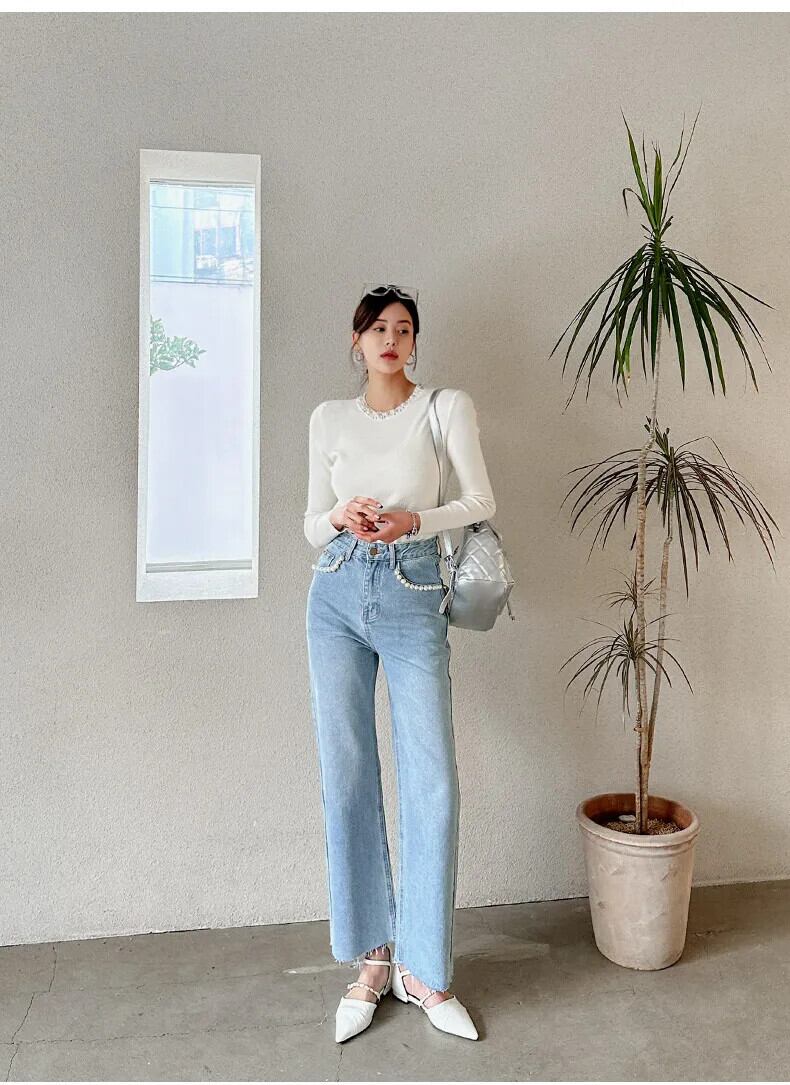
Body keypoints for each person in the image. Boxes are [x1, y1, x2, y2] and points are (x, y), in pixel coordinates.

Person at [304, 285, 496, 1043]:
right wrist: (338, 515)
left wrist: (417, 519)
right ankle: (373, 959)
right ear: (356, 340)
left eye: (404, 329)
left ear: (415, 342)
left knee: (431, 780)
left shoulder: (444, 408)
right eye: (378, 328)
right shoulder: (328, 418)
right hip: (335, 591)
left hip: (414, 589)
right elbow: (309, 524)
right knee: (347, 774)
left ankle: (427, 970)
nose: (391, 339)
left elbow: (480, 500)